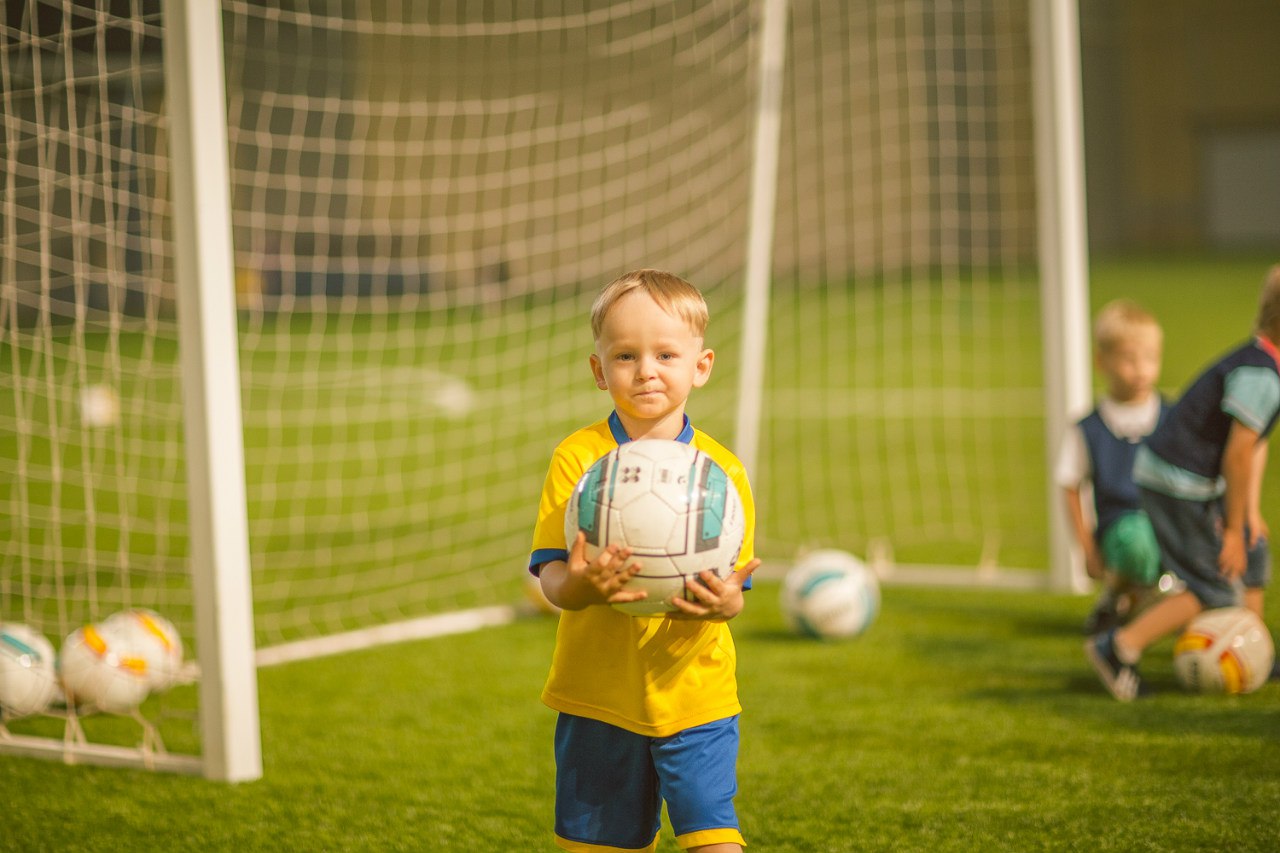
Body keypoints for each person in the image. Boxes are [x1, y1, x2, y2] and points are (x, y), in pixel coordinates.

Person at [528, 269, 761, 852]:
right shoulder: (579, 459)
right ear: (599, 370)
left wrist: (727, 601)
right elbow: (554, 574)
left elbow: (731, 589)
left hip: (695, 691)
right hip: (598, 693)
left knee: (714, 839)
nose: (647, 370)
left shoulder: (720, 473)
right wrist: (583, 587)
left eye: (665, 354)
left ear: (701, 366)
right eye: (626, 355)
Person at [1086, 265, 1280, 701]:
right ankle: (1118, 647)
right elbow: (1238, 453)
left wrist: (1246, 517)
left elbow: (1256, 441)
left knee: (1254, 547)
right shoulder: (1261, 375)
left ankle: (1255, 649)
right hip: (1175, 483)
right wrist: (1230, 528)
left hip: (1188, 479)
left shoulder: (1266, 362)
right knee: (1212, 583)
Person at [1056, 300, 1169, 634]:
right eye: (1129, 359)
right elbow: (1070, 484)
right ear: (1101, 361)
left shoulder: (1173, 418)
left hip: (1172, 523)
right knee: (1138, 541)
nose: (1141, 369)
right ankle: (1122, 597)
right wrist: (1087, 549)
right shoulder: (1087, 428)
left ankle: (1156, 604)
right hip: (1121, 532)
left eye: (1150, 358)